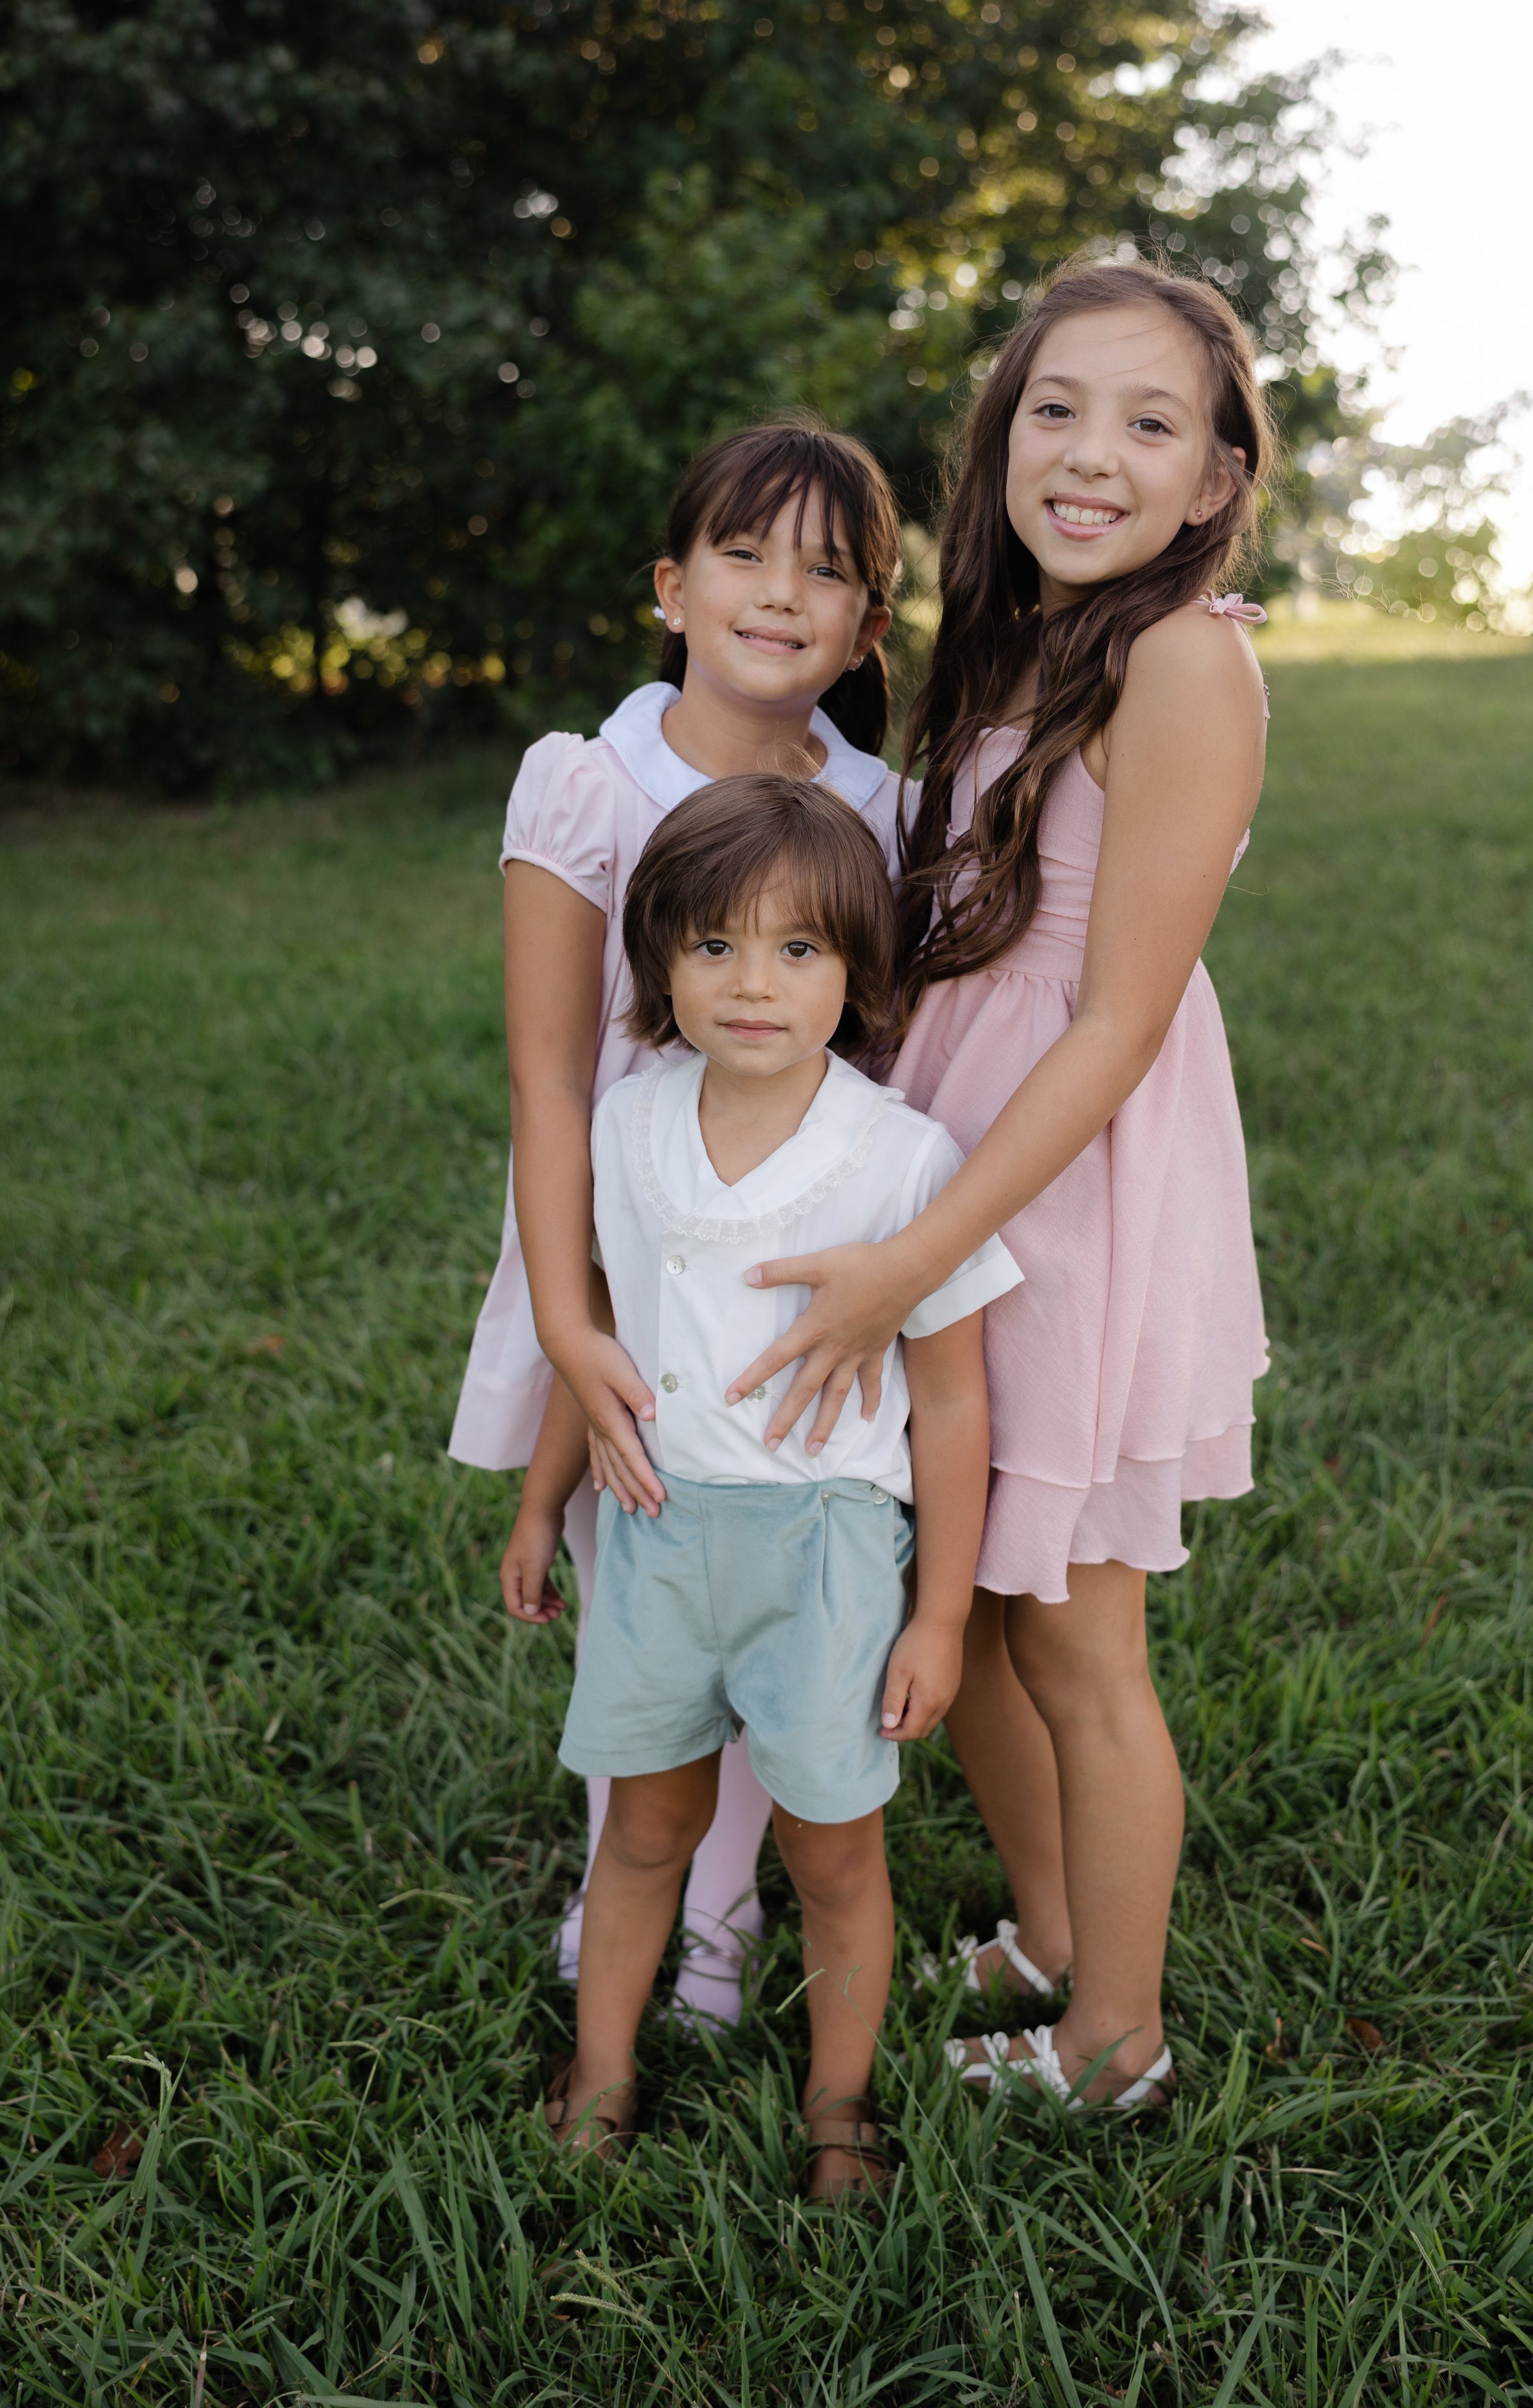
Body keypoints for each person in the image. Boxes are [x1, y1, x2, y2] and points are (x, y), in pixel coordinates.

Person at [609, 256, 1274, 2112]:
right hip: (954, 1131)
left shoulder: (1183, 654)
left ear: (1217, 476)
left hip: (1063, 1168)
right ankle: (1056, 1923)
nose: (1089, 454)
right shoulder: (1025, 638)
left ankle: (1115, 2037)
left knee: (1074, 1620)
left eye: (1151, 423)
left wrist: (914, 1244)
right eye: (1053, 409)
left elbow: (1120, 1016)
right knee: (965, 1578)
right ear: (999, 438)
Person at [499, 775, 1019, 2195]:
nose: (751, 984)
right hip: (661, 1536)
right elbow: (595, 1345)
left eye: (798, 950)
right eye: (714, 945)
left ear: (854, 973)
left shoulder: (903, 1159)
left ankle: (837, 2104)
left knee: (833, 1854)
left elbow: (956, 1401)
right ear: (660, 958)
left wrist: (936, 1618)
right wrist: (546, 1501)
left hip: (829, 1557)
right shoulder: (626, 1129)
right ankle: (602, 2071)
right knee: (647, 1826)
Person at [453, 417, 907, 2027]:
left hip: (791, 1266)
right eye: (745, 551)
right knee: (636, 1578)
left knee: (778, 1599)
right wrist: (573, 1320)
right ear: (671, 583)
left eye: (829, 570)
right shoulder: (592, 778)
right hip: (614, 1246)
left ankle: (725, 1911)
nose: (782, 592)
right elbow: (546, 1072)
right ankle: (649, 1900)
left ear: (866, 624)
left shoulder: (878, 804)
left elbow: (879, 1054)